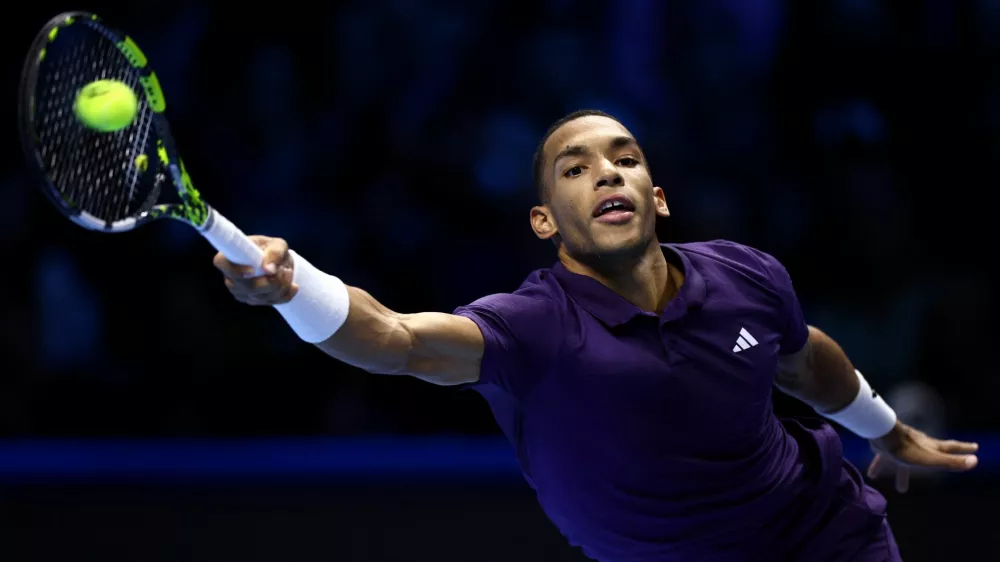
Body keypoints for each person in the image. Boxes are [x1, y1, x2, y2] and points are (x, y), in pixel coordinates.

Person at [213, 110, 978, 562]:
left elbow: (806, 363)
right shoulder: (535, 327)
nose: (608, 174)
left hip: (823, 533)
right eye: (575, 169)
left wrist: (886, 429)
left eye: (626, 159)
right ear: (545, 222)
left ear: (657, 196)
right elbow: (395, 339)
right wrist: (291, 285)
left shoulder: (746, 274)